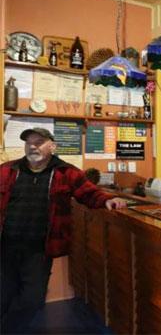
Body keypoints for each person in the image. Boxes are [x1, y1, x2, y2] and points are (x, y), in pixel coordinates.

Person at [0, 128, 128, 333]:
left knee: (32, 300)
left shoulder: (65, 172)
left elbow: (88, 193)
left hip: (38, 251)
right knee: (3, 296)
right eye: (29, 142)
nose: (32, 146)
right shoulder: (7, 170)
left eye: (39, 141)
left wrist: (108, 200)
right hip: (5, 246)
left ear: (53, 146)